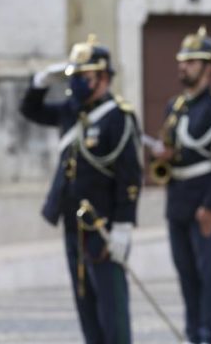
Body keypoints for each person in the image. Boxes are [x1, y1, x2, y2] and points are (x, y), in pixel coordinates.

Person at [19, 34, 142, 344]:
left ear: (103, 78)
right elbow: (30, 111)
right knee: (85, 303)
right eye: (76, 76)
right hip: (73, 223)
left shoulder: (119, 116)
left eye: (85, 77)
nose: (78, 84)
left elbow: (130, 176)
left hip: (104, 227)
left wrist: (124, 227)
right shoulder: (71, 110)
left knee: (111, 311)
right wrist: (41, 80)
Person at [149, 26, 211, 344]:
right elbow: (177, 150)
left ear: (208, 68)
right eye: (182, 61)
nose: (182, 66)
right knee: (186, 276)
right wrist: (165, 154)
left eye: (191, 61)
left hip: (204, 204)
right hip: (178, 203)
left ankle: (210, 336)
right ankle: (192, 335)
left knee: (209, 278)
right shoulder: (175, 106)